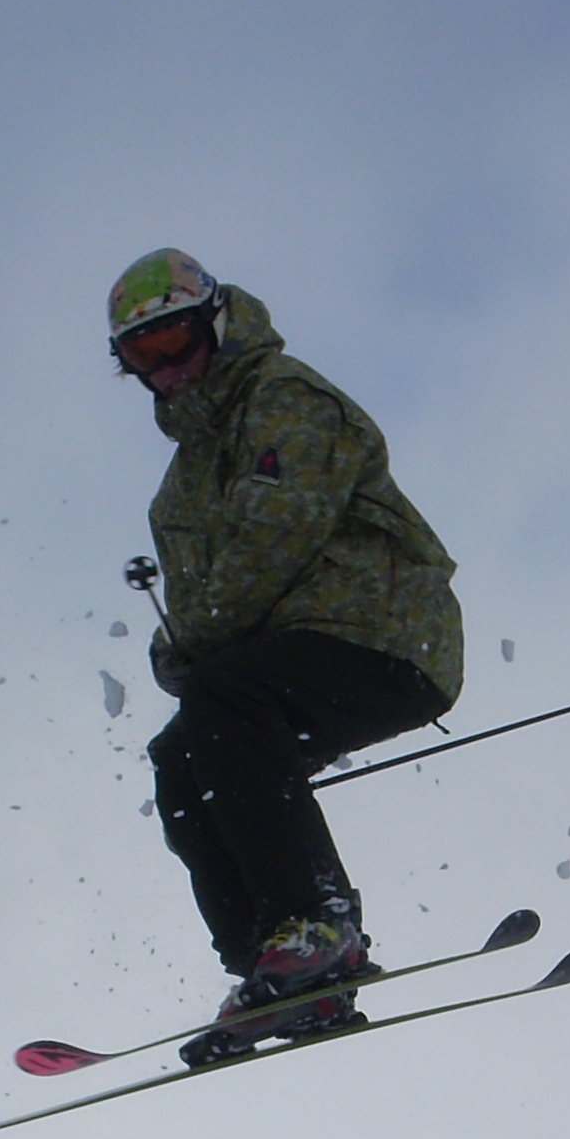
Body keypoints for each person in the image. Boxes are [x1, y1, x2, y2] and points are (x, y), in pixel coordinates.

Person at [106, 248, 463, 1062]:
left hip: (382, 634)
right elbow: (207, 604)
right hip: (290, 653)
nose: (165, 370)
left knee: (225, 699)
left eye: (175, 343)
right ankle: (275, 960)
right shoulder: (181, 484)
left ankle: (319, 926)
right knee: (181, 755)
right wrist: (185, 653)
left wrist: (187, 649)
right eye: (141, 357)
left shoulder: (285, 400)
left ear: (219, 323)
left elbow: (275, 536)